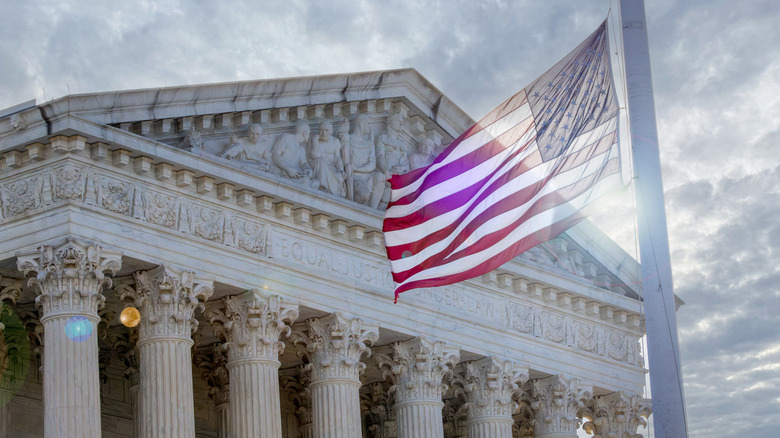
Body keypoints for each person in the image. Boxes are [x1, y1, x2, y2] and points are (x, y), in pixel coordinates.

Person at [373, 113, 409, 209]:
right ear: (391, 123)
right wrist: (386, 173)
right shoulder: (382, 138)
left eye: (402, 122)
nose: (401, 124)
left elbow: (406, 165)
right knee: (384, 193)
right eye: (398, 121)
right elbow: (379, 156)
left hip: (397, 177)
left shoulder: (402, 144)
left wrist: (401, 168)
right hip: (385, 174)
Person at [309, 120, 346, 197]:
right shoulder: (315, 140)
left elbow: (337, 158)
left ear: (331, 131)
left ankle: (332, 191)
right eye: (321, 130)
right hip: (318, 166)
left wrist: (341, 169)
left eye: (326, 130)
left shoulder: (335, 141)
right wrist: (315, 140)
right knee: (320, 161)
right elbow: (315, 155)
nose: (323, 133)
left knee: (339, 175)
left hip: (331, 168)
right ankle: (323, 186)